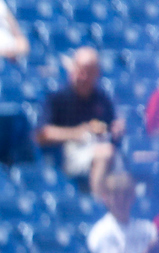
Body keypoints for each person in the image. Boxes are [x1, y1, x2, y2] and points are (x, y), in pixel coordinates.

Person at [35, 47, 122, 198]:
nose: (81, 76)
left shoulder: (102, 99)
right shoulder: (58, 97)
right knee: (105, 154)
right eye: (79, 70)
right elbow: (42, 134)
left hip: (98, 146)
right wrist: (77, 132)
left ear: (96, 74)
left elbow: (110, 128)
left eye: (87, 72)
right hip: (69, 152)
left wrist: (116, 130)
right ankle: (100, 203)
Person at [86, 172, 158, 253]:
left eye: (126, 194)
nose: (121, 200)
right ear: (105, 198)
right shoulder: (101, 232)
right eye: (115, 195)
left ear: (133, 196)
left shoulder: (148, 228)